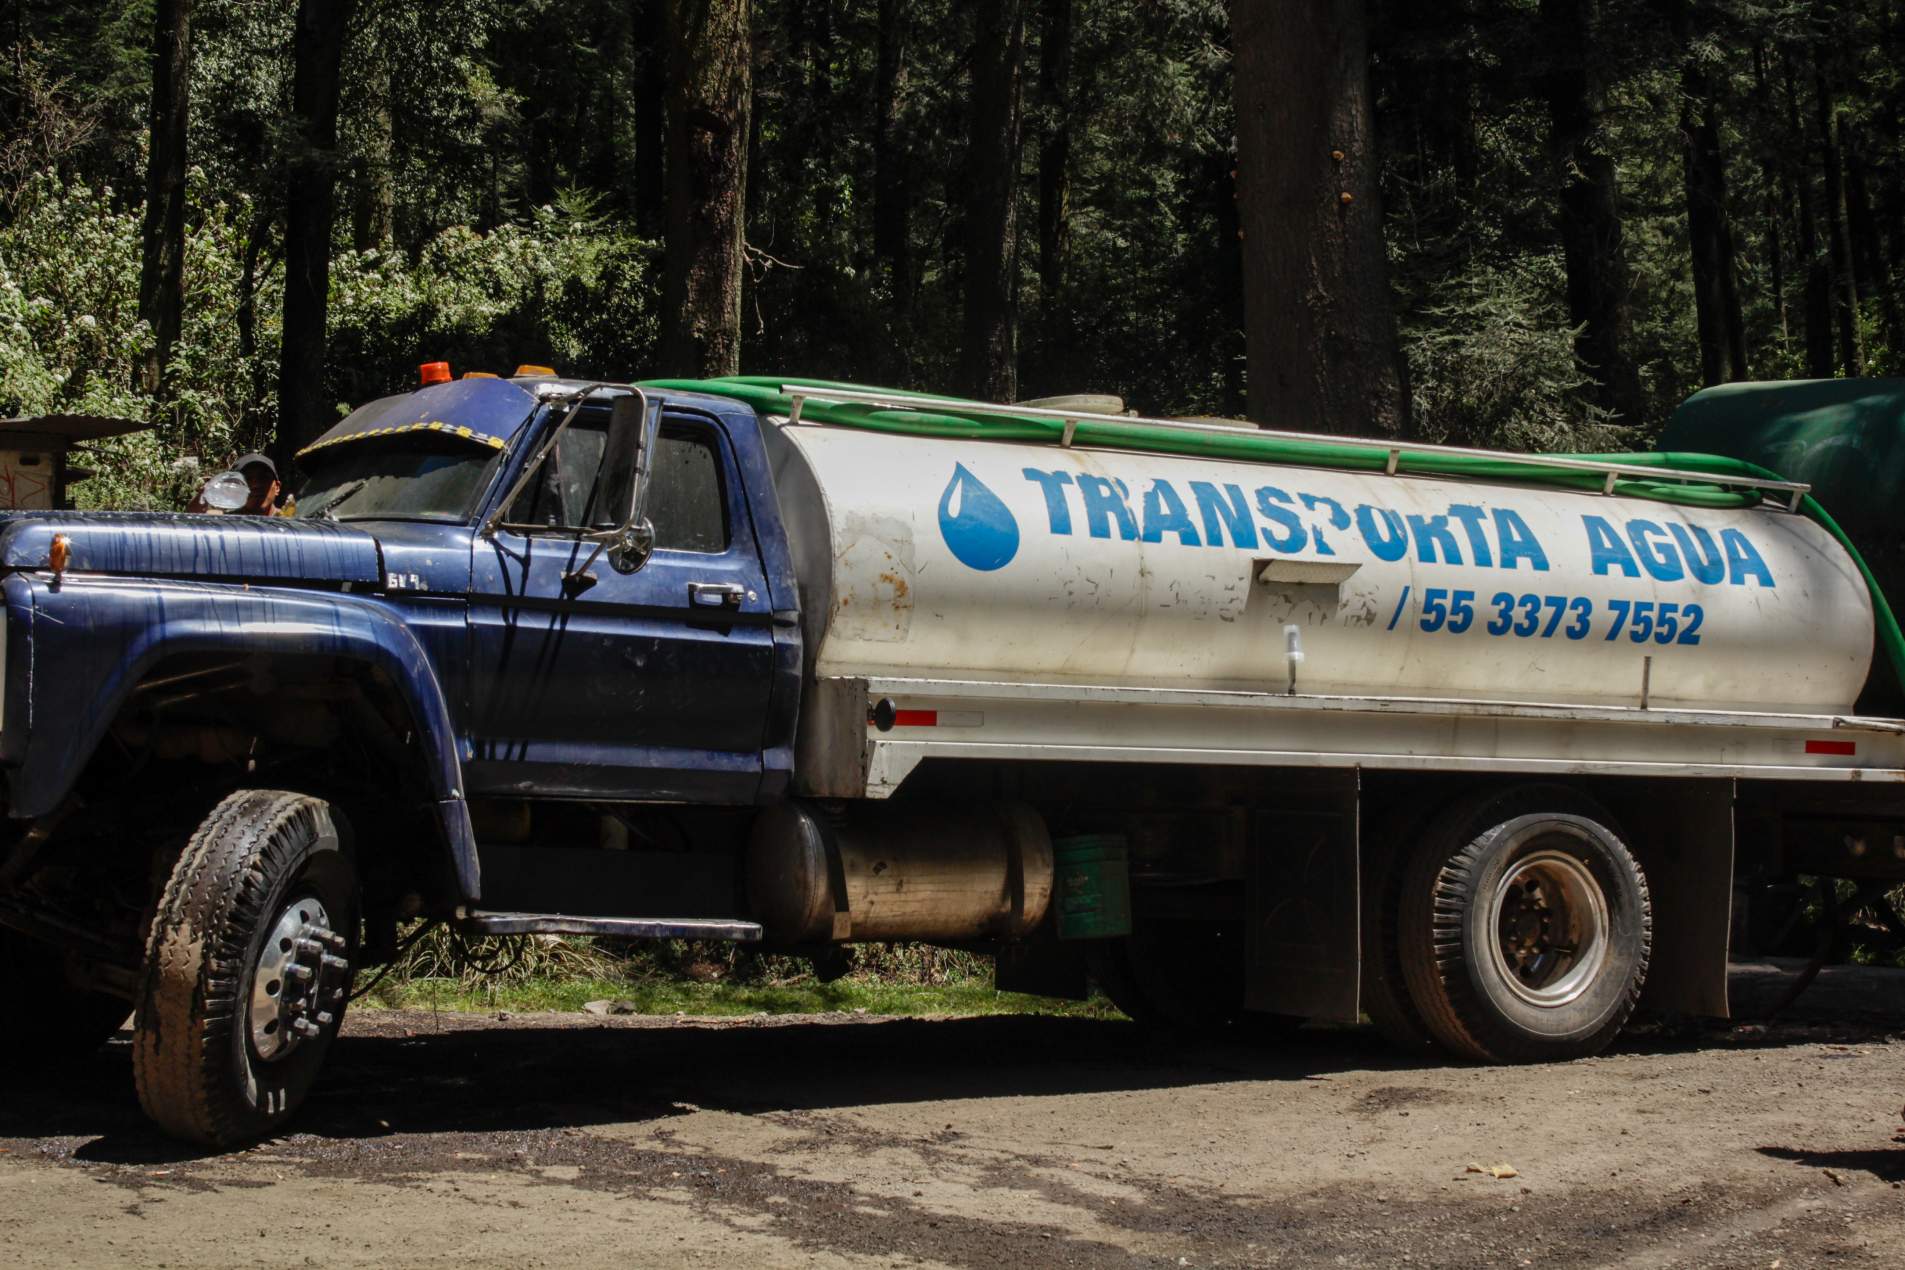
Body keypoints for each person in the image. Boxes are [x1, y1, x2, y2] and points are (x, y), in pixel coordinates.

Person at [189, 452, 286, 516]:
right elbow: (192, 519)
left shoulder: (292, 525)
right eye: (247, 479)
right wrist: (206, 492)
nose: (256, 484)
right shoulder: (227, 522)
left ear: (277, 487)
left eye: (263, 478)